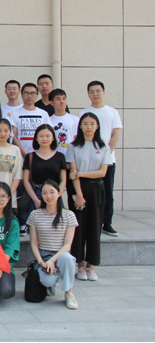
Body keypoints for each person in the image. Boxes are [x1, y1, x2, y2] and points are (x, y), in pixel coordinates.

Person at [66, 112, 112, 282]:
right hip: (78, 188)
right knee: (78, 227)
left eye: (92, 124)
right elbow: (73, 173)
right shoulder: (73, 147)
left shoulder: (103, 147)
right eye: (85, 123)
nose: (89, 127)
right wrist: (78, 195)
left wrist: (80, 173)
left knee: (95, 226)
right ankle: (79, 264)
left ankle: (91, 266)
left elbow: (102, 172)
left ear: (97, 126)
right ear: (80, 126)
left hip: (96, 189)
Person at [79, 81, 122, 237]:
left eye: (98, 91)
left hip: (107, 160)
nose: (95, 94)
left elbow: (115, 134)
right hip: (88, 161)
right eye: (91, 91)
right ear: (88, 94)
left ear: (103, 92)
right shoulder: (84, 113)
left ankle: (107, 223)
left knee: (107, 192)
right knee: (89, 192)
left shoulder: (112, 112)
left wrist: (106, 154)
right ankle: (90, 222)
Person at [27, 180, 79, 309]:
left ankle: (69, 293)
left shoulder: (69, 215)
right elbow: (34, 243)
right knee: (47, 281)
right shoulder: (35, 215)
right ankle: (51, 284)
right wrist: (41, 262)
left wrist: (52, 260)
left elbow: (67, 245)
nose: (48, 196)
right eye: (44, 193)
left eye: (52, 192)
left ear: (59, 193)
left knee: (68, 258)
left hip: (60, 255)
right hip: (43, 256)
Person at [20, 124, 67, 236]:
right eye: (41, 136)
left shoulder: (60, 156)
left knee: (55, 228)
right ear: (36, 138)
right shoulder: (30, 156)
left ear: (53, 138)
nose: (44, 139)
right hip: (35, 193)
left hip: (54, 194)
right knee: (33, 228)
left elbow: (63, 180)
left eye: (48, 136)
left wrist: (57, 194)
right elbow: (26, 180)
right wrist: (36, 200)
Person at [11, 83, 51, 158]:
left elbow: (49, 134)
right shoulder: (15, 114)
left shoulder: (43, 114)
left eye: (32, 93)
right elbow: (14, 136)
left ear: (37, 95)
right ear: (21, 95)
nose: (29, 96)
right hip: (21, 156)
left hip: (41, 156)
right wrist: (24, 154)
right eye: (26, 93)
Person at [50, 89, 78, 156]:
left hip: (71, 156)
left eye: (64, 98)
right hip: (53, 156)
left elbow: (77, 139)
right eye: (58, 99)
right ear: (51, 102)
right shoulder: (48, 120)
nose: (62, 101)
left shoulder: (75, 119)